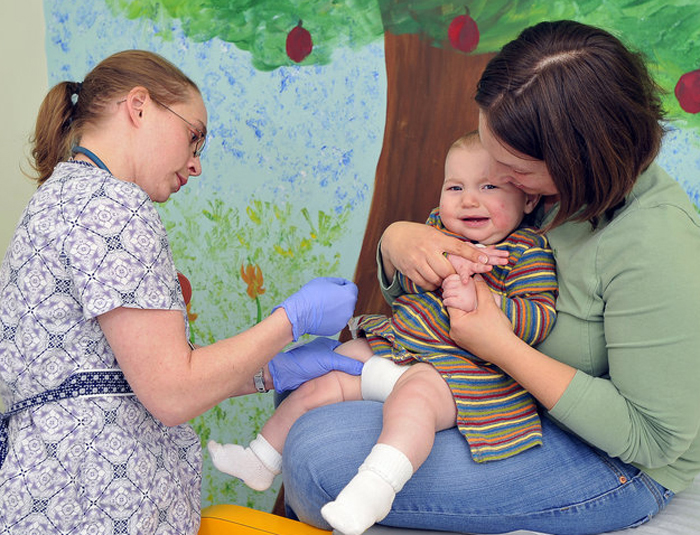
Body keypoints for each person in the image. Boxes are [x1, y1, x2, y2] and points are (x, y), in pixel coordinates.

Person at [281, 19, 700, 535]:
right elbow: (448, 264)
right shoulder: (552, 195)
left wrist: (501, 345)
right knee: (304, 383)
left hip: (617, 462)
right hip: (493, 386)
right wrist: (396, 241)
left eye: (512, 172)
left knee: (317, 463)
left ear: (576, 159)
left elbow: (655, 438)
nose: (499, 182)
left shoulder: (657, 245)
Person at [0, 49, 376, 535]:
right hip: (97, 508)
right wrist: (290, 320)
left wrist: (267, 374)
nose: (196, 165)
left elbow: (128, 376)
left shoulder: (62, 197)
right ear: (138, 106)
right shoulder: (113, 205)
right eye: (193, 137)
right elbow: (173, 393)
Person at [208, 132, 557, 535]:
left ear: (528, 199)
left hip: (459, 373)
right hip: (399, 348)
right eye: (455, 187)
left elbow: (540, 316)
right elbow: (405, 291)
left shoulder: (528, 251)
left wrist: (488, 304)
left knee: (413, 404)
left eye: (489, 187)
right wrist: (418, 263)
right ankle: (262, 457)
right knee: (322, 376)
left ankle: (374, 489)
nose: (468, 200)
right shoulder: (433, 233)